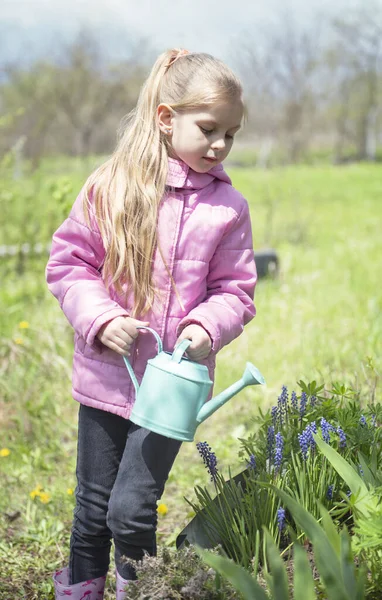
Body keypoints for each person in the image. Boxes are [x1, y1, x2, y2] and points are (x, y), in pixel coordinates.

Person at [46, 48, 257, 600]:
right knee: (92, 508)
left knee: (131, 508)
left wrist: (206, 328)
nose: (220, 145)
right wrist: (100, 317)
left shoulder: (228, 208)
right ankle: (81, 590)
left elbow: (234, 290)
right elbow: (70, 264)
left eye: (230, 135)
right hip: (106, 374)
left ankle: (138, 592)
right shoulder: (111, 186)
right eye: (208, 129)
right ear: (167, 118)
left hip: (172, 387)